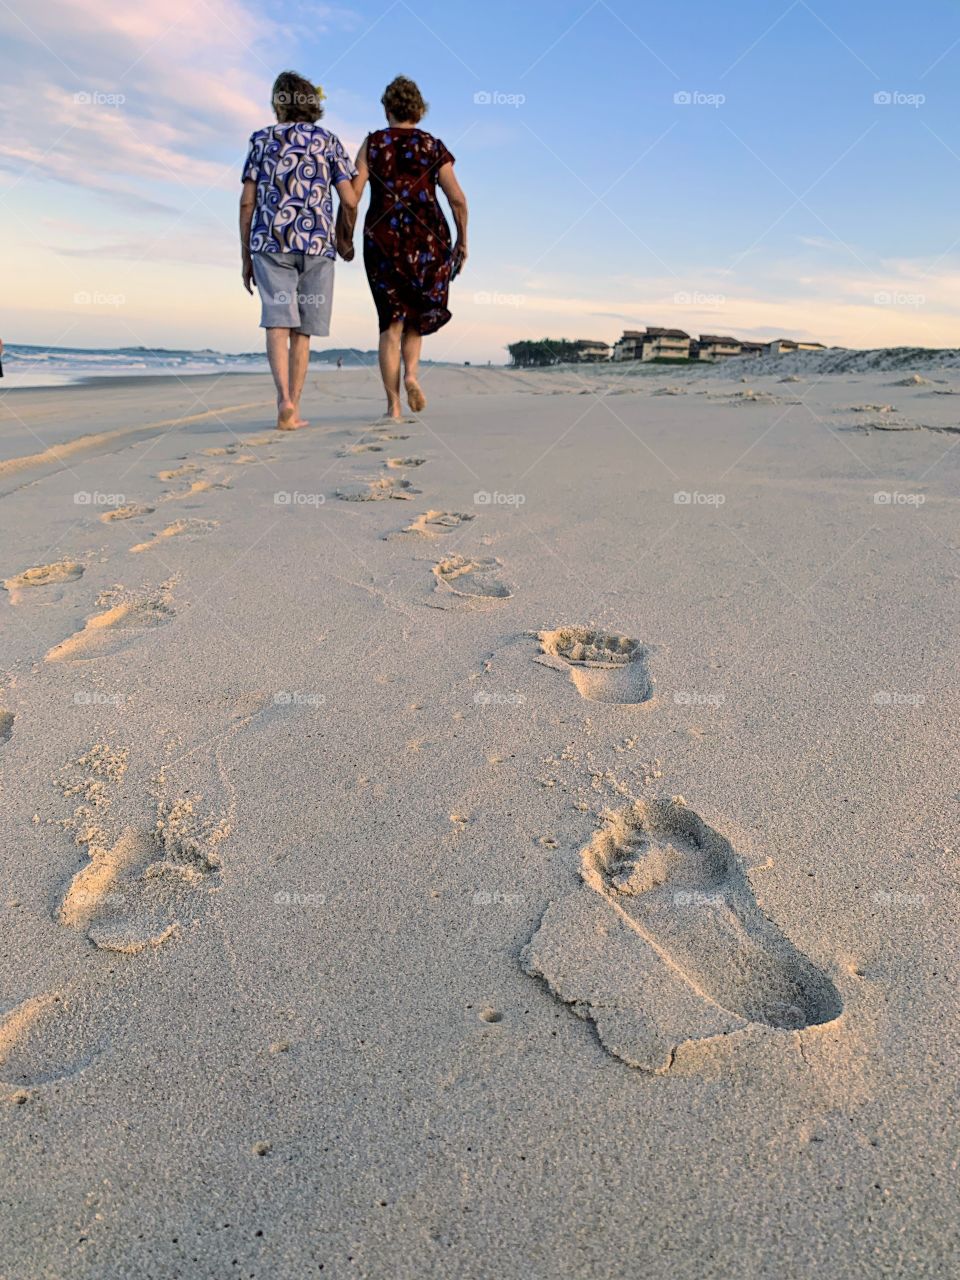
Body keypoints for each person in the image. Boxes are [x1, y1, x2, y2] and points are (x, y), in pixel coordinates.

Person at [340, 76, 467, 420]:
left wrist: (345, 237)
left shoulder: (373, 143)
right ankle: (411, 374)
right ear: (419, 109)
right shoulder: (432, 146)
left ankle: (393, 406)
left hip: (382, 239)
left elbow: (353, 195)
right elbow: (457, 199)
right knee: (415, 319)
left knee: (389, 324)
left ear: (386, 108)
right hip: (428, 239)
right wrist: (462, 241)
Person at [240, 71, 358, 430]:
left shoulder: (260, 140)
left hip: (270, 241)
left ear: (279, 103)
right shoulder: (329, 141)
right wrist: (345, 235)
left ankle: (283, 401)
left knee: (277, 320)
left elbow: (247, 202)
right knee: (302, 330)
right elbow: (350, 199)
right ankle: (297, 406)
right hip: (317, 243)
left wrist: (245, 255)